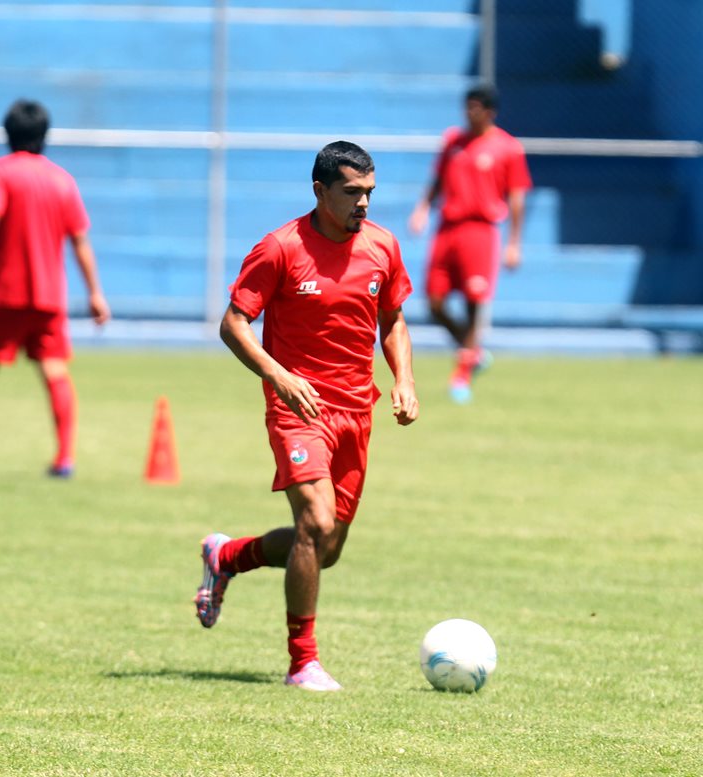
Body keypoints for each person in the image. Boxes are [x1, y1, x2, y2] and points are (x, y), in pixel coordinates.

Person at [194, 141, 419, 691]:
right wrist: (279, 376)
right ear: (319, 191)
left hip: (355, 410)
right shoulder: (280, 248)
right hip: (297, 408)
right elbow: (233, 325)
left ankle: (226, 556)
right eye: (351, 193)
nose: (362, 203)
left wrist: (404, 380)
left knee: (327, 548)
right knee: (315, 523)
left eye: (369, 192)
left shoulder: (383, 247)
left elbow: (392, 320)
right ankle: (303, 663)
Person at [0, 99, 110, 477]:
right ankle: (64, 459)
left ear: (8, 134)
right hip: (47, 297)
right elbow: (80, 240)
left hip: (3, 293)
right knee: (55, 372)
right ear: (44, 136)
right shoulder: (61, 179)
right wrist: (95, 292)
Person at [408, 83, 532, 403]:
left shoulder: (508, 148)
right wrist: (423, 209)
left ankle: (462, 371)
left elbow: (517, 197)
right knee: (434, 302)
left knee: (474, 300)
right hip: (448, 226)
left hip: (481, 229)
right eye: (467, 106)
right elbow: (437, 180)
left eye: (475, 107)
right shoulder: (453, 141)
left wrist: (514, 242)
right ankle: (472, 351)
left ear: (490, 111)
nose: (469, 112)